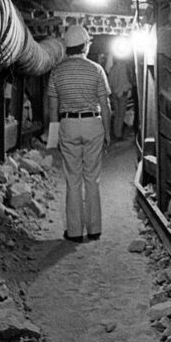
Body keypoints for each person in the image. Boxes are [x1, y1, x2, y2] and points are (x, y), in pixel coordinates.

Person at [48, 25, 111, 243]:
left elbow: (52, 108)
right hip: (93, 122)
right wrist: (108, 133)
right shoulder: (96, 69)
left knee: (73, 180)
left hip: (68, 124)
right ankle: (94, 230)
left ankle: (74, 232)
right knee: (92, 179)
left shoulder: (57, 71)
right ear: (85, 46)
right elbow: (105, 104)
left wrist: (53, 138)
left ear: (66, 48)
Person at [107, 56, 133, 140]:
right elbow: (126, 81)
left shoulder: (112, 69)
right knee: (121, 115)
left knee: (117, 114)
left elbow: (109, 82)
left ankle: (115, 132)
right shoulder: (124, 68)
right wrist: (129, 87)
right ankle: (119, 134)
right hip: (122, 94)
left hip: (114, 93)